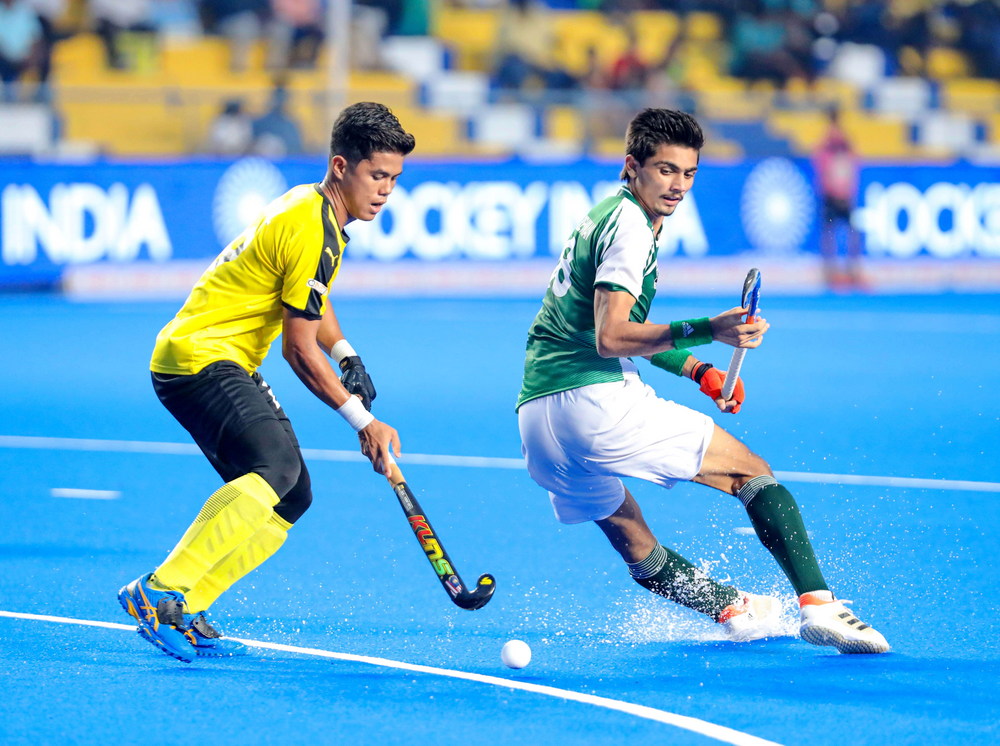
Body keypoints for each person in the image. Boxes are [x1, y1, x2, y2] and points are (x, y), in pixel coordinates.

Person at [516, 108, 889, 655]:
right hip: (593, 401)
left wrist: (699, 369)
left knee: (631, 535)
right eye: (666, 170)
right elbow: (613, 337)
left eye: (688, 173)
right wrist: (709, 329)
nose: (679, 186)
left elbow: (624, 330)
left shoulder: (604, 217)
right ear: (632, 166)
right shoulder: (630, 228)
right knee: (751, 472)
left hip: (537, 420)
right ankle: (821, 605)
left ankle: (732, 609)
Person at [118, 102, 414, 662]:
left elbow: (309, 301)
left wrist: (345, 353)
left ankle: (188, 602)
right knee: (273, 468)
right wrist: (363, 421)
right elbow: (297, 350)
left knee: (293, 495)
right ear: (340, 166)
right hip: (198, 358)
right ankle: (158, 591)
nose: (386, 191)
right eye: (377, 175)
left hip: (218, 357)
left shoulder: (316, 209)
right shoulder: (312, 227)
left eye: (394, 179)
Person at [814, 106, 863, 289]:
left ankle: (832, 270)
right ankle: (848, 269)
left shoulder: (829, 140)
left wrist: (829, 187)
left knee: (832, 231)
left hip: (833, 192)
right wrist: (847, 188)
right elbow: (851, 164)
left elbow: (822, 165)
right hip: (841, 191)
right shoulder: (842, 140)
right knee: (846, 231)